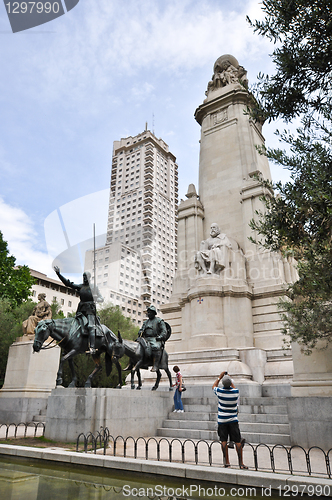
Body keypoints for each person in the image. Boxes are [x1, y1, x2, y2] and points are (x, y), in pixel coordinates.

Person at [54, 266, 104, 354]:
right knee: (72, 325)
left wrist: (95, 298)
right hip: (81, 310)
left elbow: (101, 298)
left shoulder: (94, 287)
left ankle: (92, 347)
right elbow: (68, 284)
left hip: (90, 311)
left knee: (91, 327)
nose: (84, 279)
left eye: (86, 277)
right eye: (83, 277)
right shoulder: (80, 286)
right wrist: (59, 274)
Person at [212, 371, 247, 469]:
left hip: (222, 420)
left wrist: (220, 377)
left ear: (223, 384)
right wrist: (230, 379)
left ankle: (226, 462)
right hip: (233, 420)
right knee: (237, 441)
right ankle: (241, 463)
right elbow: (234, 387)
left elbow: (213, 386)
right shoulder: (236, 392)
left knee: (223, 441)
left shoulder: (220, 392)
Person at [137, 305, 168, 371]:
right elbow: (141, 329)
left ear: (154, 313)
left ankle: (155, 365)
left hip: (155, 339)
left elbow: (164, 331)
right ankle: (138, 363)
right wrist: (140, 332)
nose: (148, 314)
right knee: (136, 347)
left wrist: (160, 337)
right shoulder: (145, 322)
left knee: (155, 347)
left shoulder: (159, 321)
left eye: (150, 312)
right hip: (145, 339)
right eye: (148, 312)